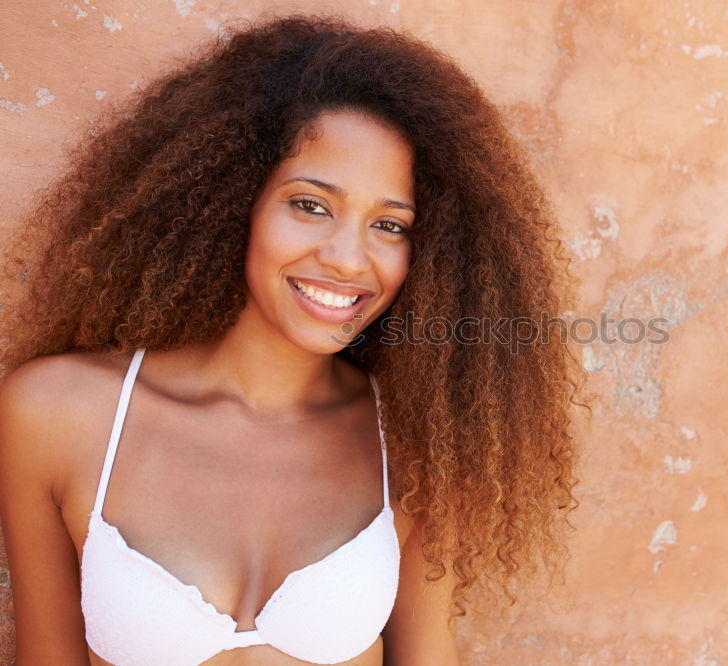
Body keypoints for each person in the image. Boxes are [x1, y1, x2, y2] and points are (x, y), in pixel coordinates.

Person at [0, 13, 586, 666]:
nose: (346, 257)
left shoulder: (417, 443)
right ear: (232, 198)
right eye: (310, 205)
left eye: (390, 225)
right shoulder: (55, 415)